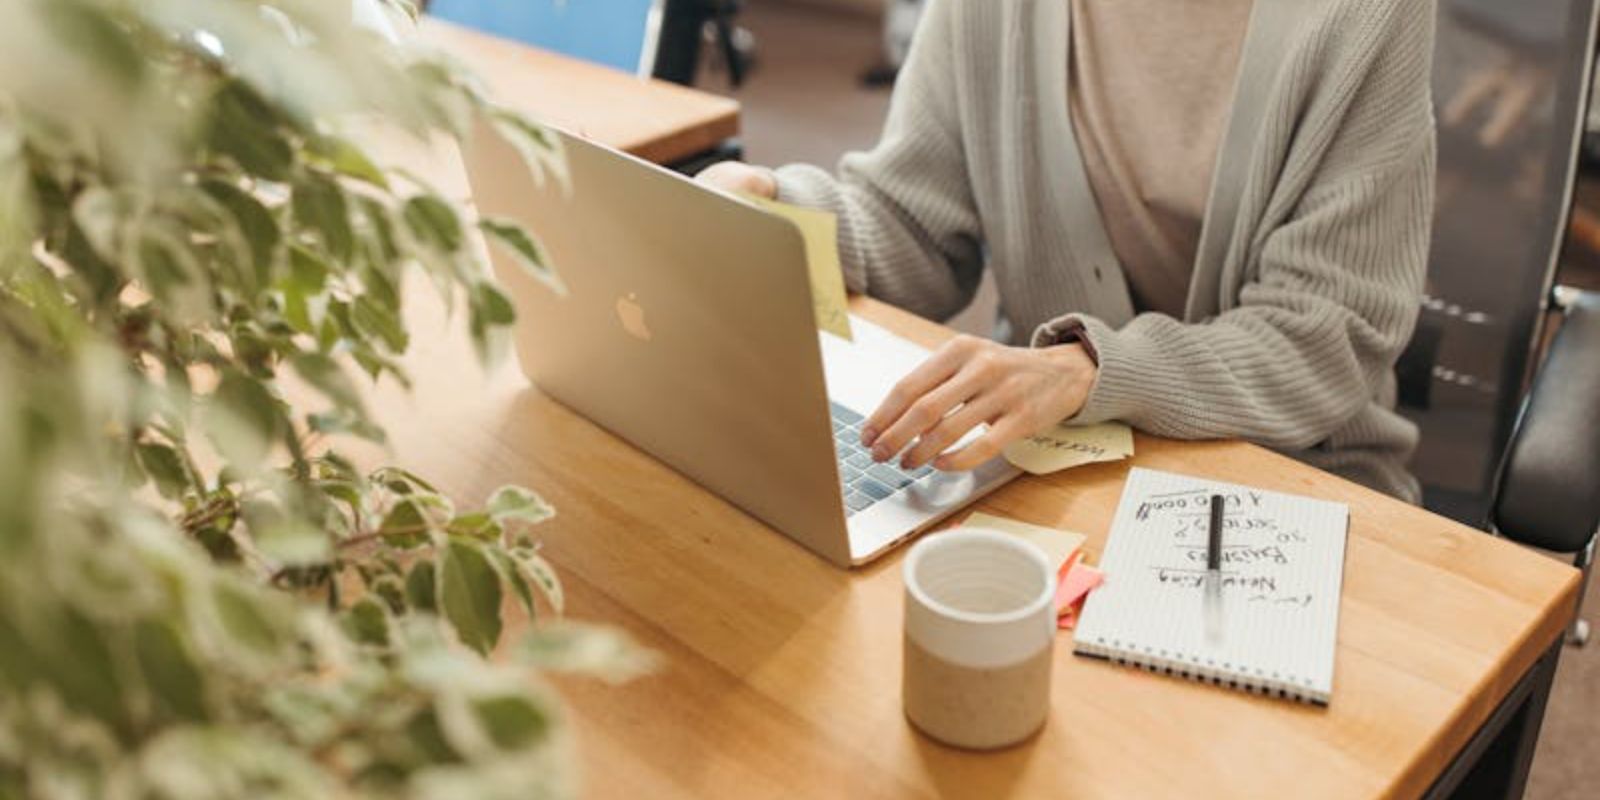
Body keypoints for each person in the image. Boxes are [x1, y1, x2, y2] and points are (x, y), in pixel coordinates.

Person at [699, 0, 1436, 501]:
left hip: (1290, 474)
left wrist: (1086, 372)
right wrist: (782, 213)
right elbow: (914, 223)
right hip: (1049, 459)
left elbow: (1323, 339)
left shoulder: (1367, 13)